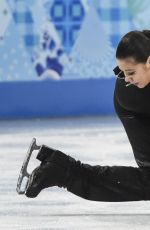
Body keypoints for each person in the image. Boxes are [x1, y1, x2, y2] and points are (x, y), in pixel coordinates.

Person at [25, 30, 150, 202]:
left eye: (130, 72)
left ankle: (59, 168)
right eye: (122, 72)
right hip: (135, 111)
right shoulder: (131, 91)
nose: (126, 79)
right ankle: (64, 171)